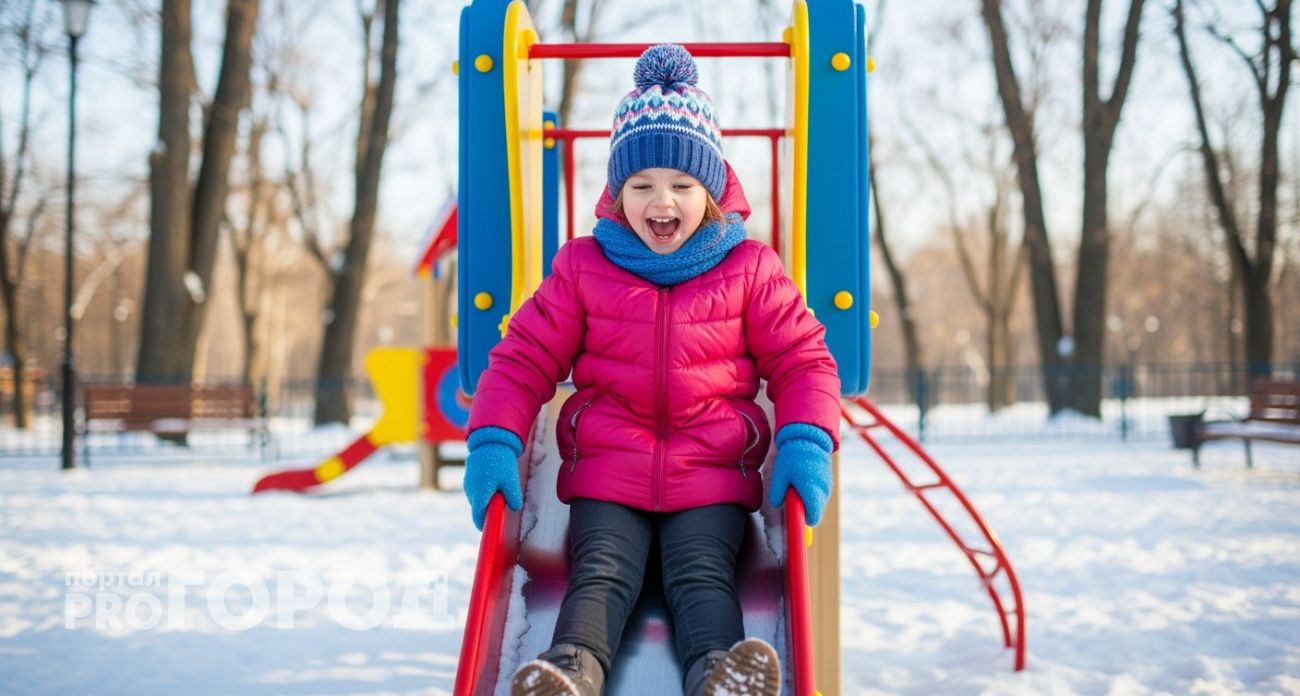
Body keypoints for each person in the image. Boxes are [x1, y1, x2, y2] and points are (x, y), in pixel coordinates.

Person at [463, 44, 842, 696]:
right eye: (640, 186)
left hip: (712, 473)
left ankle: (718, 679)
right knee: (602, 572)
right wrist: (495, 438)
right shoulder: (583, 268)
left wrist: (807, 438)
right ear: (616, 194)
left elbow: (804, 358)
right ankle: (566, 675)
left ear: (713, 189)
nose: (660, 202)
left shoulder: (750, 270)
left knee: (702, 574)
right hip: (608, 472)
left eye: (681, 185)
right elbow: (522, 356)